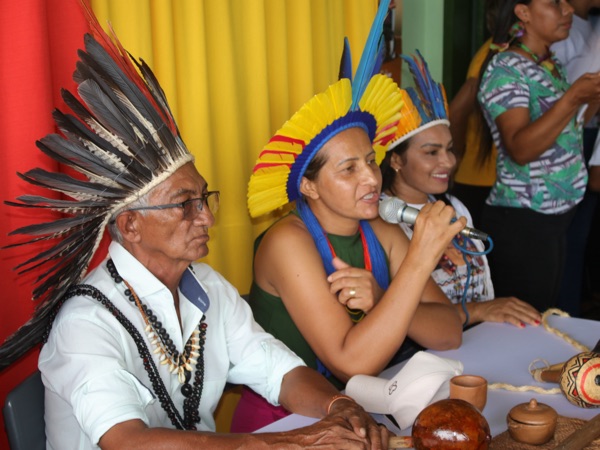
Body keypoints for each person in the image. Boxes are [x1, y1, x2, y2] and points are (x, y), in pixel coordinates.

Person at [0, 11, 392, 450]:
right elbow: (129, 441)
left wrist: (339, 407)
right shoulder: (87, 322)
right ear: (130, 225)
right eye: (185, 205)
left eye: (203, 199)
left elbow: (277, 370)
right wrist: (284, 443)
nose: (205, 217)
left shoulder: (208, 289)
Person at [233, 1, 464, 432]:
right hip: (292, 422)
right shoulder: (287, 242)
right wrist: (417, 261)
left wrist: (381, 297)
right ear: (308, 185)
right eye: (349, 169)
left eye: (371, 161)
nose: (371, 178)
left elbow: (449, 330)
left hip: (368, 408)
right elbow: (351, 360)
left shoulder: (378, 230)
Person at [380, 52, 542, 329]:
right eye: (431, 152)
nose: (449, 162)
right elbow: (405, 312)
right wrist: (479, 310)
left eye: (450, 149)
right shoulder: (383, 221)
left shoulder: (455, 206)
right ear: (395, 159)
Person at [476, 0, 600, 313]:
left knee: (543, 315)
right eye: (555, 3)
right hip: (524, 222)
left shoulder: (548, 64)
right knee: (525, 323)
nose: (568, 10)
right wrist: (572, 98)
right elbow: (520, 149)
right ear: (523, 12)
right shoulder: (506, 68)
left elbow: (564, 132)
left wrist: (589, 101)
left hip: (553, 221)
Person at [551, 0, 600, 316]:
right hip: (568, 135)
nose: (564, 14)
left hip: (585, 134)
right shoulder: (562, 32)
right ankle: (564, 312)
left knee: (576, 238)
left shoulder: (590, 26)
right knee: (566, 240)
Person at [450, 0, 501, 229]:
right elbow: (458, 111)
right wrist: (456, 155)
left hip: (489, 179)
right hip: (479, 179)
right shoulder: (494, 55)